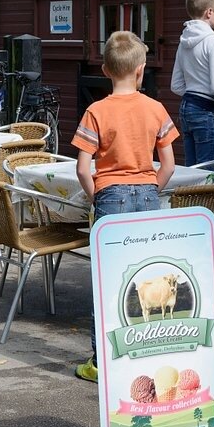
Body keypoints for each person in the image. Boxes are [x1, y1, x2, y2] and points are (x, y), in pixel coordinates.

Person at [71, 30, 180, 384]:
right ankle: (144, 353)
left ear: (104, 70)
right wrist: (151, 187)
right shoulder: (156, 109)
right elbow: (169, 165)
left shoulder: (95, 110)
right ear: (141, 70)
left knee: (107, 279)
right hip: (148, 194)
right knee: (146, 276)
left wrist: (97, 195)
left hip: (110, 196)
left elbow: (82, 167)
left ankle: (101, 363)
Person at [170, 0, 214, 166]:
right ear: (209, 12)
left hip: (187, 107)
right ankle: (207, 196)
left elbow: (175, 85)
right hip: (208, 109)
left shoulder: (183, 43)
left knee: (192, 169)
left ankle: (191, 195)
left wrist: (193, 92)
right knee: (208, 171)